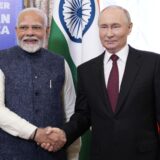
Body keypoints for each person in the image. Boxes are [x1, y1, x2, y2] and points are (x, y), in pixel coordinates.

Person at [42, 5, 160, 160]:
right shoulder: (86, 70)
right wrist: (64, 134)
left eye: (115, 26)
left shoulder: (153, 63)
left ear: (129, 28)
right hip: (102, 155)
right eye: (104, 27)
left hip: (144, 155)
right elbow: (83, 115)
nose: (109, 33)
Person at [0, 7, 80, 160]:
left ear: (47, 31)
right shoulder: (1, 60)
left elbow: (71, 112)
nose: (30, 32)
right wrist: (36, 134)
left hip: (54, 155)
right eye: (24, 27)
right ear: (16, 31)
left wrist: (73, 155)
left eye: (36, 27)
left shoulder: (60, 63)